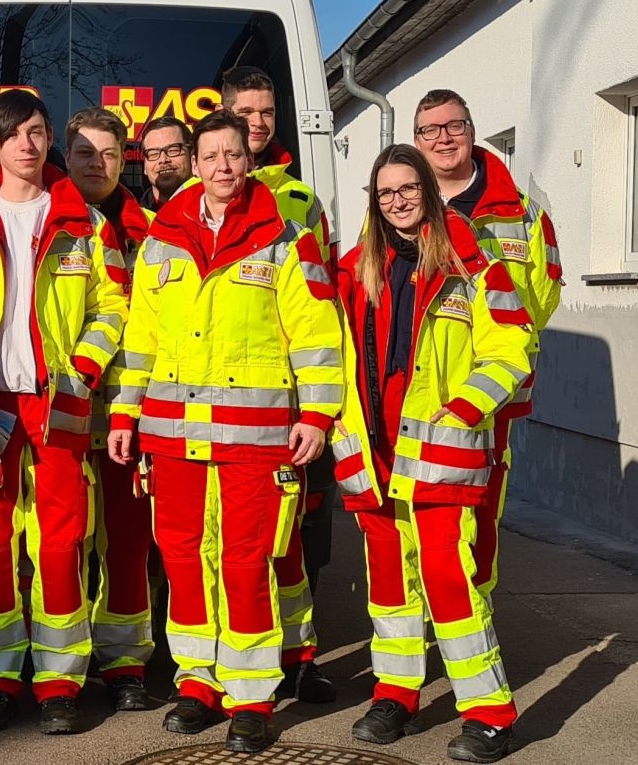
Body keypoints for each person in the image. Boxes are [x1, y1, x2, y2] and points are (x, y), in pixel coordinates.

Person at [107, 110, 343, 753]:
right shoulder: (163, 237)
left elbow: (319, 337)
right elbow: (141, 339)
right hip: (173, 436)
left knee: (245, 562)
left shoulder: (287, 237)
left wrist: (318, 416)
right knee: (184, 560)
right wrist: (125, 414)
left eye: (232, 156)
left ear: (249, 158)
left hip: (256, 438)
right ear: (195, 161)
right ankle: (197, 684)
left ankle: (252, 695)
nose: (222, 168)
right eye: (210, 156)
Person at [334, 144, 530, 763]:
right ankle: (396, 693)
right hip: (376, 451)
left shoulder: (471, 262)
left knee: (450, 581)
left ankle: (490, 714)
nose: (397, 201)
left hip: (441, 452)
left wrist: (469, 405)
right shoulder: (352, 267)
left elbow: (515, 343)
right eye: (385, 192)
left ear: (428, 189)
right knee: (389, 586)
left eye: (407, 188)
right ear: (374, 199)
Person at [0, 89, 129, 735]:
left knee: (61, 545)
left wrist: (80, 367)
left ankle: (58, 683)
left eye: (37, 130)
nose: (27, 142)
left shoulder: (86, 222)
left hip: (59, 404)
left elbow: (114, 309)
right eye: (13, 133)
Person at [413, 89, 562, 603]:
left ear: (473, 131)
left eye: (453, 126)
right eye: (430, 130)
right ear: (417, 141)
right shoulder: (401, 203)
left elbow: (541, 298)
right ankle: (422, 620)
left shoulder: (521, 213)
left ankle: (471, 615)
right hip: (412, 389)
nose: (443, 138)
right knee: (410, 517)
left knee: (478, 513)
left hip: (489, 397)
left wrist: (490, 354)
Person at [220, 63, 336, 705]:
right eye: (245, 112)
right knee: (220, 544)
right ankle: (215, 661)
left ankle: (300, 655)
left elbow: (318, 306)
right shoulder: (197, 191)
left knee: (288, 542)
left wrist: (315, 402)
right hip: (213, 406)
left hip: (279, 400)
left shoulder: (298, 199)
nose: (257, 123)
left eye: (266, 112)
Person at [65, 106, 156, 711]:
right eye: (83, 153)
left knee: (127, 545)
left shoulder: (155, 229)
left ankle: (125, 665)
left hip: (130, 409)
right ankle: (59, 669)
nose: (96, 165)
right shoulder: (44, 223)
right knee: (58, 543)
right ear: (63, 158)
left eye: (109, 155)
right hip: (60, 412)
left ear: (127, 161)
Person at [137, 116, 193, 213]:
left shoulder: (215, 213)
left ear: (192, 156)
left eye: (173, 150)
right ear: (145, 166)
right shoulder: (133, 222)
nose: (163, 160)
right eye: (153, 153)